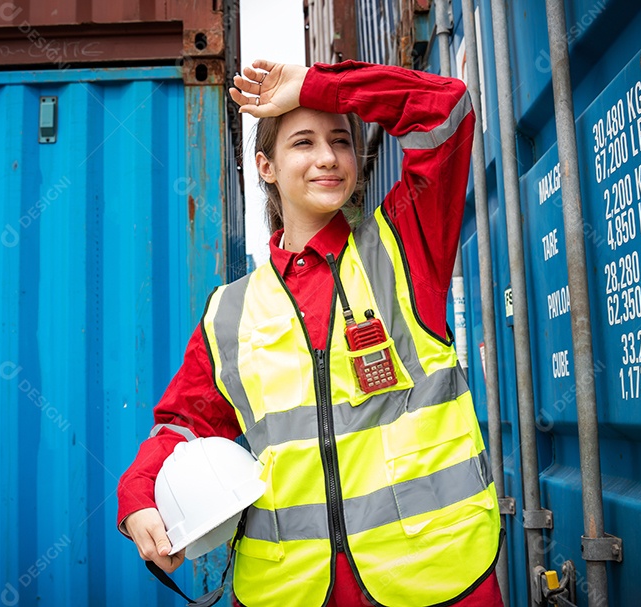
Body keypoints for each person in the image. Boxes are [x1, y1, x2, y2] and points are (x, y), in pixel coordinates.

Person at [117, 58, 503, 607]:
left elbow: (446, 108)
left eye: (340, 141)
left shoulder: (405, 247)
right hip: (293, 593)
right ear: (266, 167)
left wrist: (318, 84)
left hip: (439, 581)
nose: (327, 158)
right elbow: (184, 427)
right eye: (302, 142)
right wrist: (138, 494)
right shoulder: (229, 312)